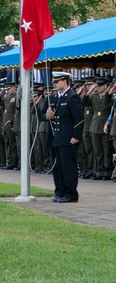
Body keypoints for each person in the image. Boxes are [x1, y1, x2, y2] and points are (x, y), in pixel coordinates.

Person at [41, 71, 85, 202]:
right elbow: (42, 115)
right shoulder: (53, 98)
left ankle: (70, 194)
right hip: (56, 138)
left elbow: (79, 119)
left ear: (65, 81)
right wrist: (47, 116)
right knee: (58, 168)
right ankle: (60, 191)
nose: (55, 84)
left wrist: (76, 136)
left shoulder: (72, 97)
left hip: (67, 138)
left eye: (57, 81)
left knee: (68, 168)